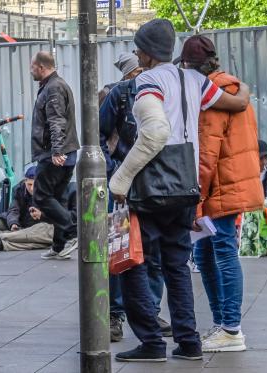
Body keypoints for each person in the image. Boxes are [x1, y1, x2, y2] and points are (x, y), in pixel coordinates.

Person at [109, 19, 251, 362]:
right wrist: (243, 86)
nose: (136, 53)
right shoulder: (196, 81)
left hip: (153, 187)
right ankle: (188, 343)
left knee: (134, 265)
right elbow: (238, 102)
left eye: (137, 48)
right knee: (176, 265)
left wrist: (121, 180)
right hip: (187, 185)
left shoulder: (147, 80)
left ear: (145, 52)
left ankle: (152, 344)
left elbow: (155, 132)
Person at [176, 35, 261, 353]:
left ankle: (230, 329)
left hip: (220, 186)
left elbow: (206, 155)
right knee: (208, 254)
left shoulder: (212, 96)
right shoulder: (233, 89)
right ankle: (224, 326)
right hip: (230, 182)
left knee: (221, 252)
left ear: (191, 67)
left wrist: (194, 197)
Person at [99, 53, 170, 343]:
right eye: (137, 71)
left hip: (154, 181)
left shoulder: (165, 88)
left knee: (154, 251)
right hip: (124, 183)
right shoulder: (119, 94)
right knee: (119, 249)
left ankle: (150, 311)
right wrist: (112, 170)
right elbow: (100, 135)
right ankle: (115, 314)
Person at [29, 51, 81, 260]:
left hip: (55, 154)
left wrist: (57, 150)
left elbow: (56, 120)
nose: (30, 70)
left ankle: (72, 232)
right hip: (62, 152)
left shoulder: (53, 88)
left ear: (41, 67)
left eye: (32, 66)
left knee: (40, 196)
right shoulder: (52, 86)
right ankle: (59, 246)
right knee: (57, 197)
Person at [0, 166, 54, 252]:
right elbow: (13, 209)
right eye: (29, 184)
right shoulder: (19, 189)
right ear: (25, 181)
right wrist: (13, 223)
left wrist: (42, 215)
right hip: (20, 225)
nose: (31, 189)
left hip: (37, 230)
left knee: (46, 231)